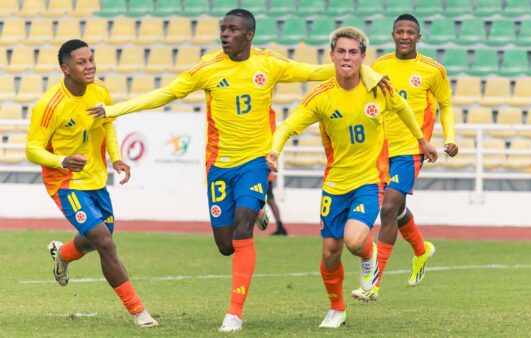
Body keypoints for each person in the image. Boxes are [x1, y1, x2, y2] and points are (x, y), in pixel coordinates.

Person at [87, 9, 387, 332]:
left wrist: (367, 74)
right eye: (223, 29)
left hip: (256, 162)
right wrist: (113, 110)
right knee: (226, 244)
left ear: (249, 35)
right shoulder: (208, 68)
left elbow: (318, 71)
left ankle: (234, 313)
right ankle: (256, 211)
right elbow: (164, 94)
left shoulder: (268, 63)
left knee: (243, 231)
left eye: (232, 29)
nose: (225, 34)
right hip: (220, 165)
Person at [267, 27, 437, 328]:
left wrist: (421, 141)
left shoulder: (378, 89)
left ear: (362, 57)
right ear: (332, 56)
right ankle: (337, 309)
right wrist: (275, 150)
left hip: (369, 182)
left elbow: (403, 109)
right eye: (341, 52)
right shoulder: (321, 97)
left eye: (353, 52)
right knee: (330, 252)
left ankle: (369, 257)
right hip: (334, 185)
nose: (347, 57)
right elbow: (288, 126)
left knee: (355, 241)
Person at [25, 39, 158, 328]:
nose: (90, 66)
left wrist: (117, 158)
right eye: (81, 62)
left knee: (99, 236)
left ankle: (62, 254)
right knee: (105, 243)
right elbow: (32, 149)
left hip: (95, 179)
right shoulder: (50, 105)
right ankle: (139, 313)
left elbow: (107, 123)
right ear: (65, 69)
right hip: (65, 181)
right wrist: (61, 161)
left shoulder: (100, 91)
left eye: (91, 59)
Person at [352, 14, 459, 302]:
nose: (404, 36)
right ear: (393, 34)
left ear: (418, 37)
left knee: (387, 209)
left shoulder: (432, 70)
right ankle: (422, 250)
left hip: (411, 149)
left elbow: (446, 105)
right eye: (399, 31)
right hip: (380, 148)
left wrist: (449, 138)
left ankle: (373, 284)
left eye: (410, 32)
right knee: (397, 210)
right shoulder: (379, 67)